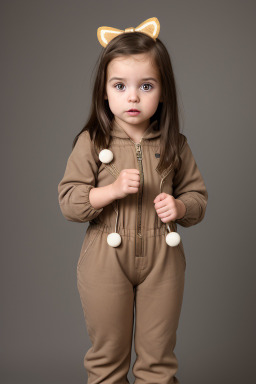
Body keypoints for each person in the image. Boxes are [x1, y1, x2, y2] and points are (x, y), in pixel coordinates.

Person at [58, 17, 208, 384]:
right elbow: (70, 201)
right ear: (104, 92)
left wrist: (181, 206)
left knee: (158, 359)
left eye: (146, 85)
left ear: (163, 93)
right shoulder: (92, 141)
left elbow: (198, 197)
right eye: (120, 85)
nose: (133, 96)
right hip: (106, 256)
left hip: (163, 257)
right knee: (107, 358)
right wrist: (110, 191)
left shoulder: (175, 144)